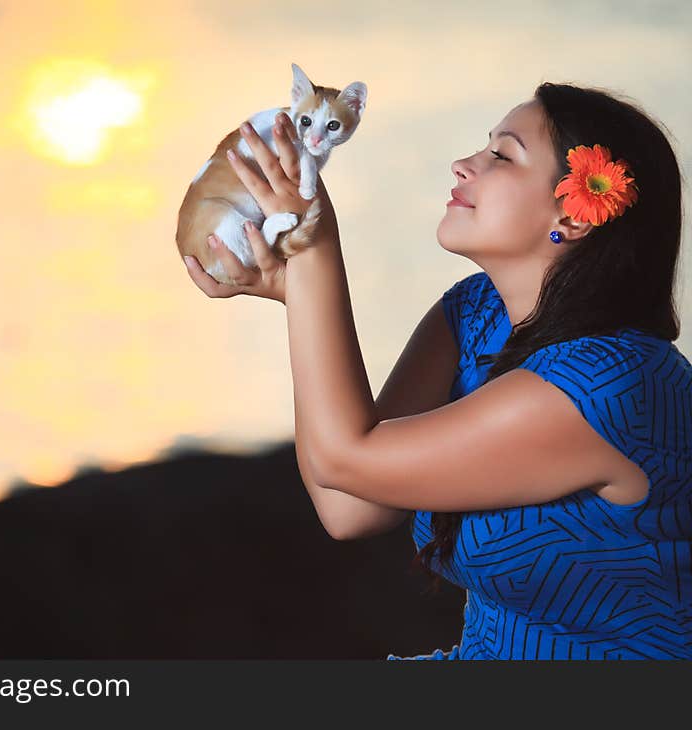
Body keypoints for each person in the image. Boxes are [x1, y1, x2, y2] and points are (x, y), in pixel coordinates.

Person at [182, 82, 691, 660]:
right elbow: (350, 504)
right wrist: (295, 284)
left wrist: (315, 252)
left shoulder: (606, 385)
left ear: (574, 218)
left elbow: (343, 458)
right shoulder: (474, 314)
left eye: (501, 155)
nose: (463, 163)